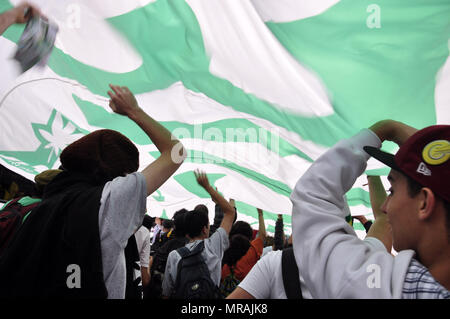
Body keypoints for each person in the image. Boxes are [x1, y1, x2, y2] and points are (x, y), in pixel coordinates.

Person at [0, 84, 186, 298]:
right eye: (129, 173)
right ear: (118, 173)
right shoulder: (107, 202)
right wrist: (134, 111)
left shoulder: (46, 204)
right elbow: (176, 152)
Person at [291, 119, 449, 298]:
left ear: (424, 203)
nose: (385, 206)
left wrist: (386, 129)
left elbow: (312, 194)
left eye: (392, 191)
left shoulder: (389, 287)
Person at [161, 170, 235, 298]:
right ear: (205, 229)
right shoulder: (214, 246)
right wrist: (208, 188)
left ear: (187, 233)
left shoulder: (174, 256)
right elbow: (230, 213)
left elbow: (166, 293)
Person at [221, 208, 266, 284]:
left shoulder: (222, 249)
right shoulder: (251, 251)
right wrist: (260, 214)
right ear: (249, 237)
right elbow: (262, 235)